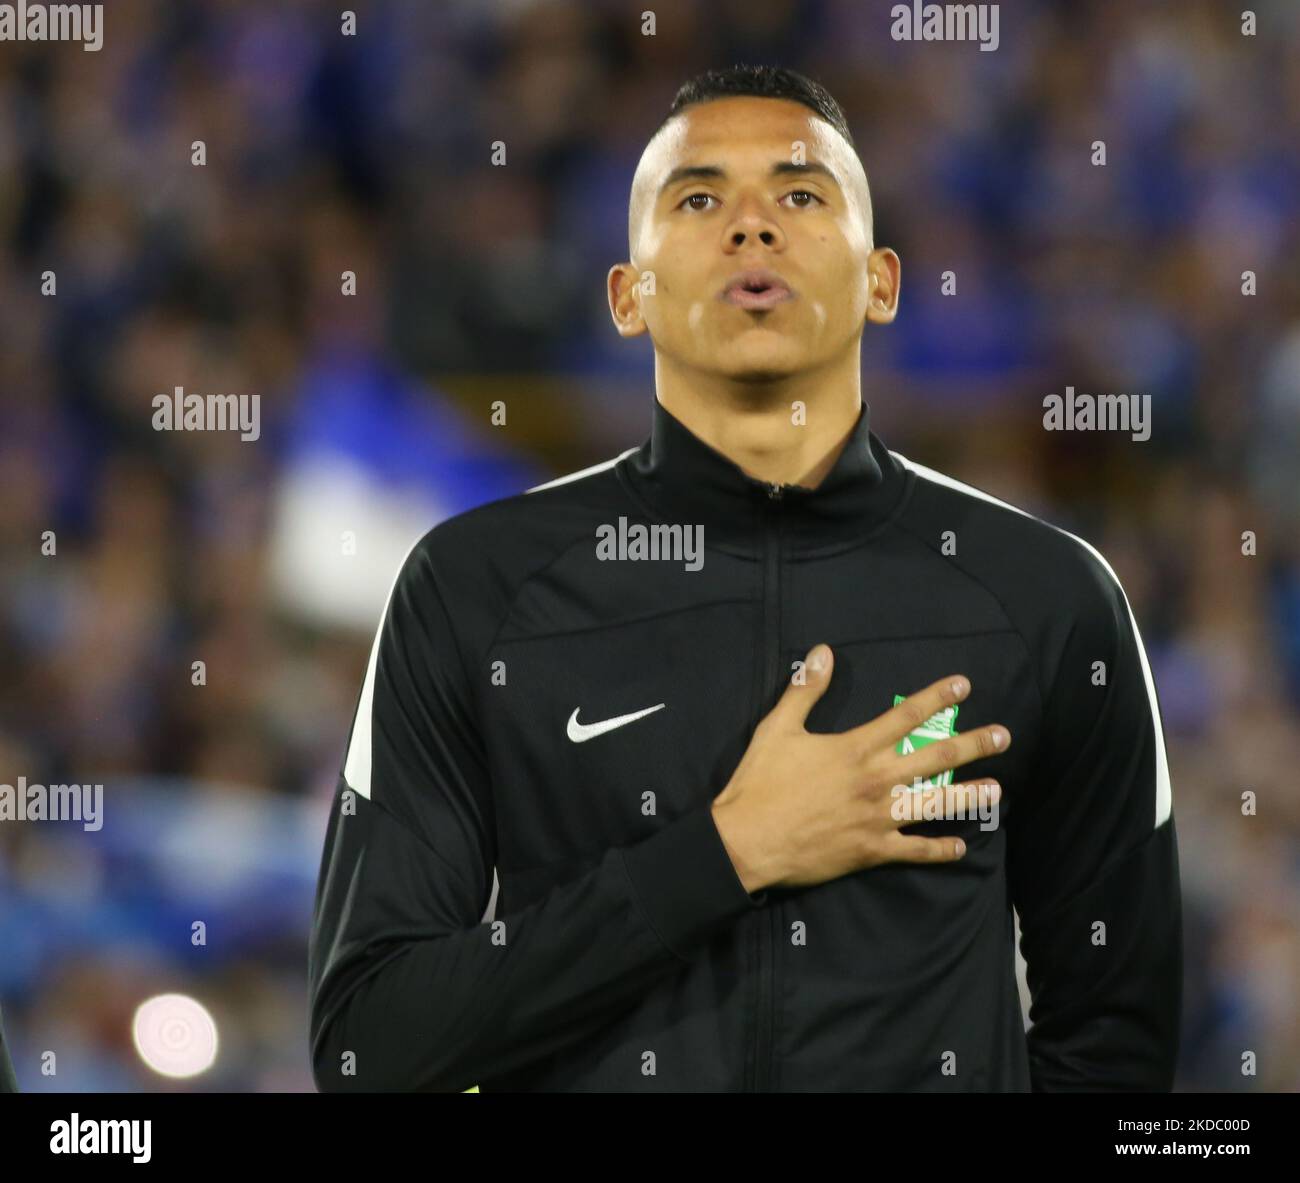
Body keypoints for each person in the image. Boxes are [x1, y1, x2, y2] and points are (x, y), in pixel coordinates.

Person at [307, 64, 1182, 1092]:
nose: (752, 227)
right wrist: (724, 854)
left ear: (882, 282)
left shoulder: (1049, 597)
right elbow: (369, 1045)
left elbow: (1117, 1046)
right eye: (699, 197)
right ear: (627, 296)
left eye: (802, 195)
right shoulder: (471, 587)